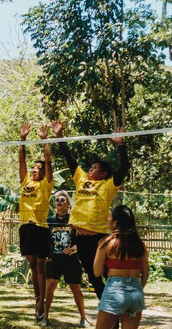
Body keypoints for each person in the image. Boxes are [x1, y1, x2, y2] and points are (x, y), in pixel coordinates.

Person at [52, 121, 129, 301]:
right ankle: (107, 306)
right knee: (93, 276)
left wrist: (120, 145)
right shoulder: (81, 179)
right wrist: (59, 136)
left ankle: (119, 303)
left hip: (99, 238)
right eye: (90, 167)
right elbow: (69, 159)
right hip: (81, 238)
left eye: (94, 168)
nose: (90, 169)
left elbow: (124, 168)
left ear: (103, 174)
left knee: (107, 273)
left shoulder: (108, 185)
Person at [80, 205, 148, 329]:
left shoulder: (107, 242)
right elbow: (145, 275)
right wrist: (134, 290)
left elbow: (96, 270)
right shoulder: (139, 245)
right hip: (136, 293)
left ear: (116, 222)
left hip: (114, 291)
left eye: (110, 216)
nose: (107, 218)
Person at [18, 121, 54, 324]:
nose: (34, 169)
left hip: (40, 227)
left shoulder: (46, 184)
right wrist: (22, 139)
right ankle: (38, 301)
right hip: (26, 227)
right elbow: (21, 161)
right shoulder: (26, 182)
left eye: (37, 168)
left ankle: (42, 306)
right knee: (33, 265)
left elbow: (48, 162)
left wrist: (45, 141)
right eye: (33, 167)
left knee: (41, 266)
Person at [41, 190, 90, 328]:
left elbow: (82, 241)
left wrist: (74, 249)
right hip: (54, 261)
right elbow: (45, 240)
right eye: (57, 200)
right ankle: (45, 317)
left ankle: (83, 318)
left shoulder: (74, 220)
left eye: (63, 200)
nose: (59, 202)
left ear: (68, 203)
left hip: (71, 261)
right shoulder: (49, 221)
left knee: (76, 289)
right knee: (49, 288)